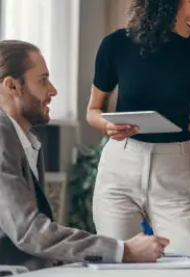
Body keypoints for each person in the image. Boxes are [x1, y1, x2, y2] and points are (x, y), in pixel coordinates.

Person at [86, 0, 190, 251]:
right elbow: (93, 111)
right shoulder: (116, 44)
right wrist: (107, 126)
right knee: (120, 265)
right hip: (119, 170)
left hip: (175, 173)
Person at [0, 40, 169, 270]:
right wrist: (124, 250)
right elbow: (29, 231)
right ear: (11, 86)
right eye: (42, 80)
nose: (53, 90)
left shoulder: (23, 139)